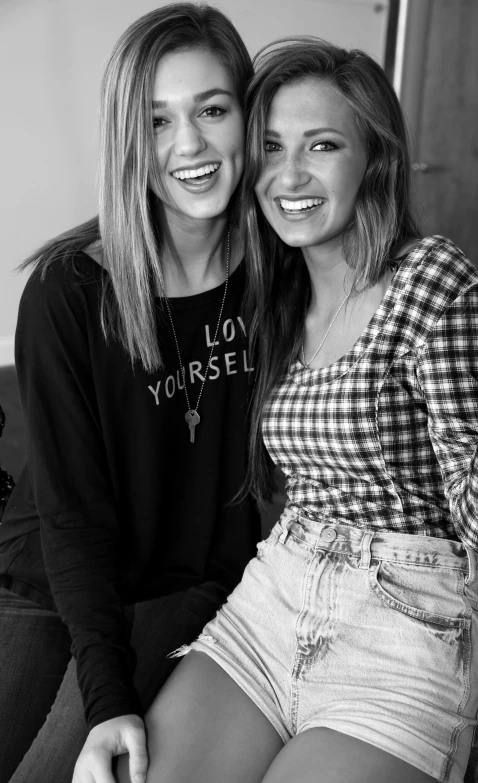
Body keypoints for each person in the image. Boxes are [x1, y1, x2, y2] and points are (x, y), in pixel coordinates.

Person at [117, 39, 478, 783]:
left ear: (375, 160)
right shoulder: (278, 291)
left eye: (323, 145)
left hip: (403, 624)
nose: (290, 175)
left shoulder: (432, 282)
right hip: (276, 593)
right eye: (271, 146)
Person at [0, 4, 259, 783]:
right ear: (127, 138)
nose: (189, 145)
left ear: (248, 116)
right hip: (48, 575)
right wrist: (108, 692)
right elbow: (72, 517)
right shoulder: (69, 289)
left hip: (186, 592)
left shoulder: (277, 275)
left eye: (212, 109)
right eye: (155, 121)